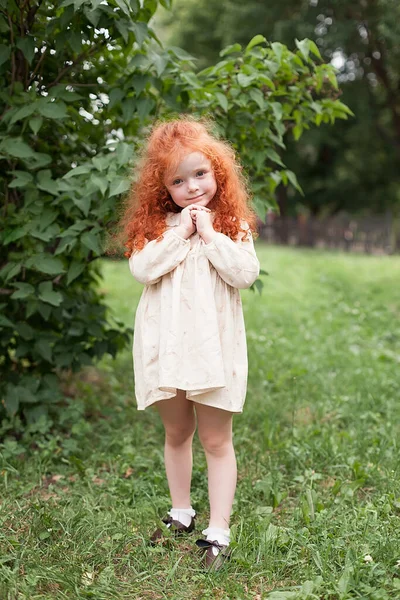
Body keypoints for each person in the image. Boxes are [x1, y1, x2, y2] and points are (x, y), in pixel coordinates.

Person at [119, 116, 260, 570]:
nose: (192, 187)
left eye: (199, 173)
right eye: (178, 181)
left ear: (217, 170)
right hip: (167, 348)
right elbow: (143, 270)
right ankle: (181, 511)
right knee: (177, 431)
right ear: (163, 188)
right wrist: (180, 232)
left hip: (212, 349)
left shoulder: (233, 224)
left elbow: (244, 274)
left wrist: (210, 235)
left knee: (217, 439)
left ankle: (218, 529)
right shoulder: (159, 226)